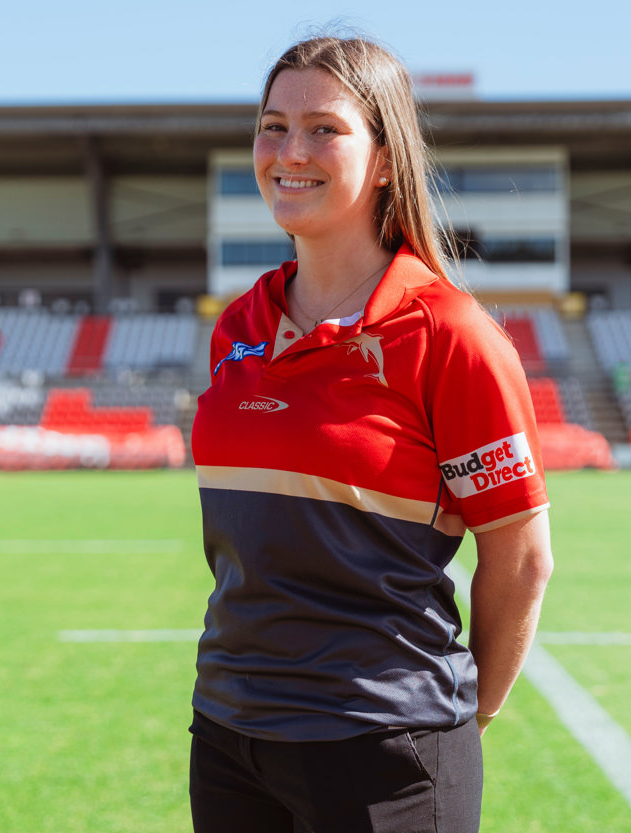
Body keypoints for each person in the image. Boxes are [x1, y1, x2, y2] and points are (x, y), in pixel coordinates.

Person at [189, 35, 554, 833]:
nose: (290, 150)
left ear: (387, 159)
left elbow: (522, 556)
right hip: (227, 728)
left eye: (325, 128)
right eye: (272, 124)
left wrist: (460, 721)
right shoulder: (240, 324)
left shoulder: (449, 333)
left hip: (384, 744)